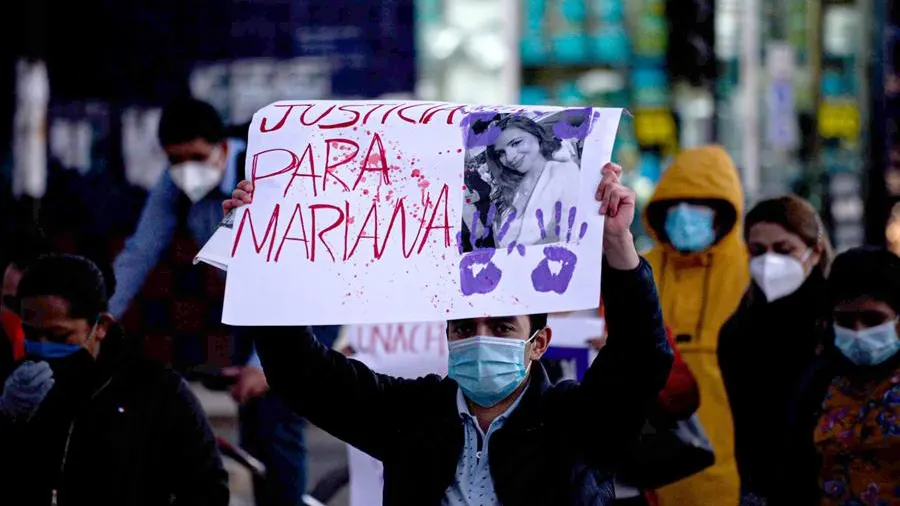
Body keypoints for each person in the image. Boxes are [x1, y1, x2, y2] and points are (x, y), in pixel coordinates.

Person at [223, 162, 675, 505]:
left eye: (501, 327)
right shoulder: (409, 414)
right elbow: (302, 373)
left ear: (538, 343)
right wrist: (263, 251)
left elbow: (641, 357)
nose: (480, 338)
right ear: (448, 335)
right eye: (463, 327)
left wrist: (618, 245)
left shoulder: (578, 420)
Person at [108, 97, 308, 506]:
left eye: (196, 157)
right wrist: (98, 319)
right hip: (245, 306)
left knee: (276, 417)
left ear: (222, 148)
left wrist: (265, 366)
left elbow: (296, 271)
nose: (186, 171)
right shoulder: (173, 184)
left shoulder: (259, 173)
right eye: (175, 160)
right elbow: (140, 252)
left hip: (295, 301)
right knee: (252, 429)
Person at [0, 254, 228, 506]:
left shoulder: (156, 391)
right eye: (32, 334)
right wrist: (8, 420)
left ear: (101, 326)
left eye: (59, 336)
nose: (43, 347)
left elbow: (208, 490)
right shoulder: (16, 385)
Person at [641, 145, 748, 506]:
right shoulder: (636, 270)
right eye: (674, 204)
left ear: (722, 211)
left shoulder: (752, 272)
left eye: (699, 204)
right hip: (651, 473)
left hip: (733, 469)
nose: (685, 215)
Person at [718, 195, 834, 503]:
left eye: (784, 250)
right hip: (762, 486)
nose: (769, 261)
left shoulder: (838, 321)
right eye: (757, 251)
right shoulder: (738, 327)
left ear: (814, 251)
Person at [774, 247, 900, 505]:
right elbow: (794, 469)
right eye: (845, 321)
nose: (858, 332)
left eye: (873, 319)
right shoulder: (818, 383)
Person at [484, 114, 580, 248]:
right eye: (501, 153)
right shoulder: (509, 191)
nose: (510, 157)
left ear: (537, 136)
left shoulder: (564, 173)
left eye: (516, 143)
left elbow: (573, 241)